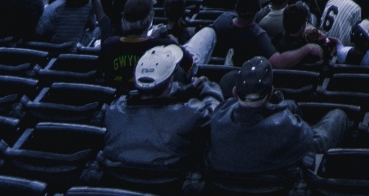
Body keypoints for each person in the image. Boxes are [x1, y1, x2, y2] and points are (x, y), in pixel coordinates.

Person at [207, 58, 344, 180]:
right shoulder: (287, 126)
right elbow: (307, 135)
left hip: (232, 181)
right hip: (276, 178)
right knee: (338, 116)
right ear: (271, 92)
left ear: (235, 92)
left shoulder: (218, 118)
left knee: (290, 104)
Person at [102, 43, 213, 171]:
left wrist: (186, 90)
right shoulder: (191, 114)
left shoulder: (114, 111)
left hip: (119, 184)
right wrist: (207, 87)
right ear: (170, 83)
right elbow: (216, 115)